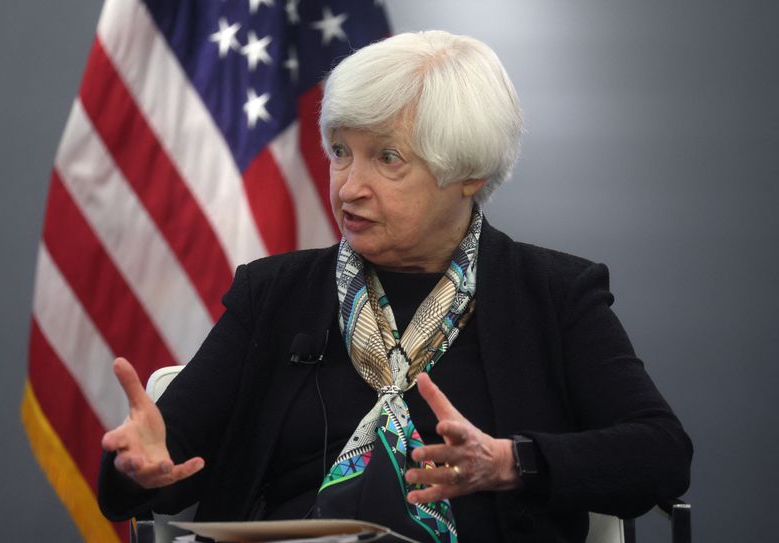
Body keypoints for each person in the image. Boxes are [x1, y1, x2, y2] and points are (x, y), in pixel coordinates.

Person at [98, 30, 692, 542]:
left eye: (387, 158)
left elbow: (661, 455)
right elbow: (165, 461)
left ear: (468, 172)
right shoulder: (273, 294)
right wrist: (136, 467)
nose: (349, 187)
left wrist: (512, 462)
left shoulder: (553, 295)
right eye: (339, 152)